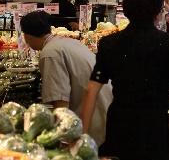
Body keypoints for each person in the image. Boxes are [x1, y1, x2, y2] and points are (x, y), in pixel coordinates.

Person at [81, 0, 169, 160]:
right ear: (157, 13)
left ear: (126, 11)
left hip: (119, 126)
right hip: (155, 129)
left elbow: (91, 91)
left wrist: (82, 137)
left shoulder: (109, 43)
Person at [20, 11, 112, 146]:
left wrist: (60, 139)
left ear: (26, 36)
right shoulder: (67, 42)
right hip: (105, 109)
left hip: (92, 118)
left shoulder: (50, 53)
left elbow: (60, 103)